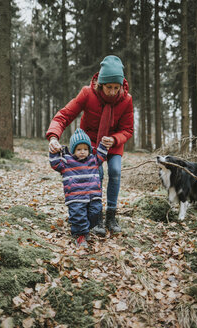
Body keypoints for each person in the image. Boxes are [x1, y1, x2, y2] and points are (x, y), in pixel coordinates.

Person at [47, 55, 134, 237]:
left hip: (113, 143)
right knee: (97, 173)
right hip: (90, 144)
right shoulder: (87, 93)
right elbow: (64, 115)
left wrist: (116, 139)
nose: (112, 92)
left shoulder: (126, 100)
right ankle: (96, 216)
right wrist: (54, 136)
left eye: (116, 88)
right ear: (101, 84)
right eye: (109, 87)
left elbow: (127, 129)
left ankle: (111, 215)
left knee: (115, 171)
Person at [49, 128, 108, 248]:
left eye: (85, 149)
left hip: (93, 195)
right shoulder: (66, 161)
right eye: (79, 149)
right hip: (75, 197)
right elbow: (55, 164)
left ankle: (85, 228)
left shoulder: (93, 160)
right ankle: (80, 235)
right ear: (73, 150)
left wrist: (103, 144)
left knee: (96, 213)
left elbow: (102, 154)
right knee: (78, 216)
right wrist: (54, 152)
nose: (82, 152)